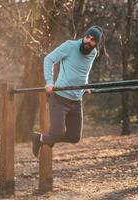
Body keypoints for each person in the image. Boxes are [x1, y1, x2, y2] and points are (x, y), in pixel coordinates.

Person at [32, 25, 103, 157]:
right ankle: (48, 137)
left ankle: (44, 139)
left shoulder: (93, 53)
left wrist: (86, 85)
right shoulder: (70, 46)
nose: (88, 41)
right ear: (84, 36)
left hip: (76, 100)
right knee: (58, 133)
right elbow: (49, 59)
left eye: (93, 40)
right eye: (87, 37)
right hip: (59, 97)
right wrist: (49, 82)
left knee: (74, 137)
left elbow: (84, 72)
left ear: (96, 43)